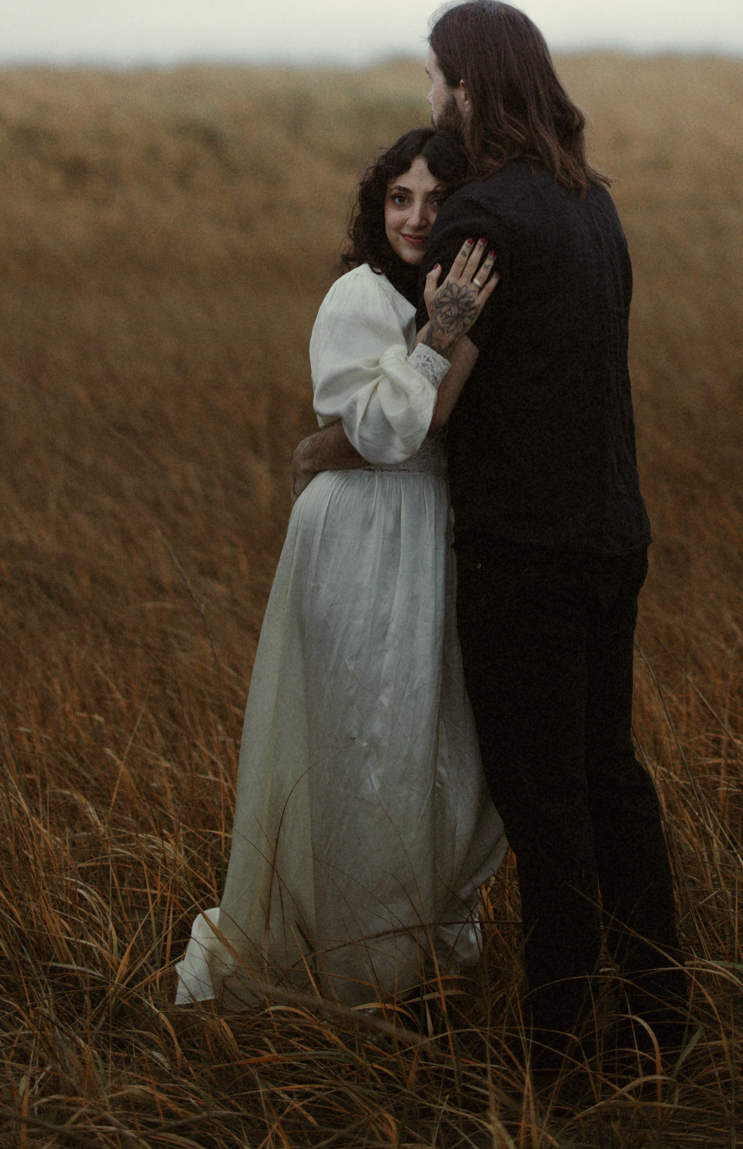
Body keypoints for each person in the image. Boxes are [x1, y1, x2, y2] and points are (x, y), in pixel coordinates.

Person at [175, 127, 507, 1011]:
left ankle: (425, 950)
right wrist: (440, 332)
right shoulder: (359, 296)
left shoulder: (471, 292)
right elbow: (385, 429)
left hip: (432, 530)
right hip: (363, 530)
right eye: (399, 197)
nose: (416, 216)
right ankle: (363, 973)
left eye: (436, 200)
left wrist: (455, 324)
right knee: (367, 741)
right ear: (377, 207)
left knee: (441, 746)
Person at [420, 0, 686, 1079]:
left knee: (547, 803)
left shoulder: (480, 217)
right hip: (613, 533)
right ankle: (662, 1020)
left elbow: (432, 406)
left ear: (469, 87)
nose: (427, 97)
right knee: (609, 775)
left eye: (435, 76)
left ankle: (561, 1056)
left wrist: (343, 427)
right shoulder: (590, 203)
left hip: (523, 547)